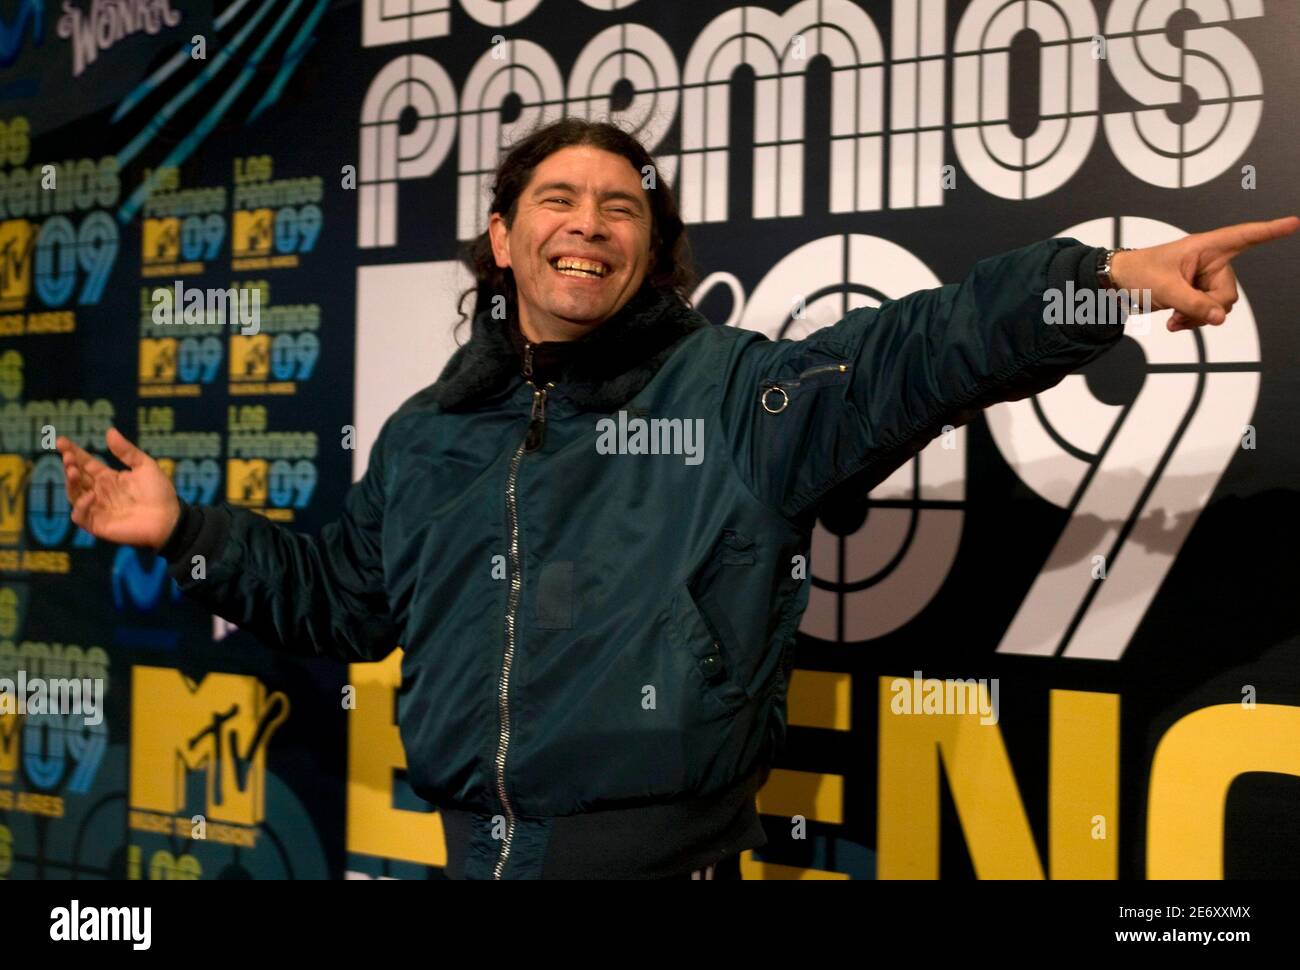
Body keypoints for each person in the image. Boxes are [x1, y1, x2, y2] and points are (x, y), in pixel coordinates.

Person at [57, 118, 1297, 880]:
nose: (587, 223)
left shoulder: (738, 396)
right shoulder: (429, 432)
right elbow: (350, 604)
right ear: (502, 238)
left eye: (621, 206)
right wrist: (187, 535)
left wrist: (1103, 286)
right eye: (556, 198)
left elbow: (926, 349)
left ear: (649, 246)